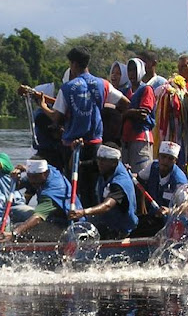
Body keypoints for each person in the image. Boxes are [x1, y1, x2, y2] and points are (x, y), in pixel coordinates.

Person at [40, 46, 130, 207]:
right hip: (95, 143)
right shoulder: (103, 84)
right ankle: (92, 220)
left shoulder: (67, 88)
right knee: (93, 187)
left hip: (73, 145)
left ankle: (75, 218)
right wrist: (106, 108)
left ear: (74, 64)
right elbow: (125, 103)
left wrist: (42, 106)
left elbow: (56, 118)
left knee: (73, 187)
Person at [68, 143, 138, 240]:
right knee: (77, 226)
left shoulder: (120, 182)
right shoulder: (104, 166)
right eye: (98, 159)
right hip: (106, 220)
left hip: (120, 228)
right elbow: (74, 166)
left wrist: (84, 212)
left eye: (103, 160)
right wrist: (74, 151)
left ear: (114, 163)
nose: (99, 163)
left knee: (82, 234)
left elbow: (107, 206)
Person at [0, 158, 73, 243]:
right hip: (50, 218)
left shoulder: (52, 193)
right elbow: (18, 186)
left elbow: (37, 218)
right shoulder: (47, 170)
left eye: (34, 178)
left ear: (44, 174)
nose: (31, 181)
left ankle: (12, 244)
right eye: (29, 177)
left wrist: (14, 233)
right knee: (13, 214)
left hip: (64, 227)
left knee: (17, 227)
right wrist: (17, 177)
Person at [130, 141, 188, 237]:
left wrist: (169, 211)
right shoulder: (153, 166)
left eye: (170, 159)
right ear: (158, 156)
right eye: (163, 157)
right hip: (153, 217)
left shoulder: (179, 181)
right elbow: (139, 179)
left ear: (175, 161)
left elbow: (187, 206)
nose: (165, 161)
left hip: (170, 223)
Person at [121, 57, 155, 173]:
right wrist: (130, 113)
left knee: (140, 173)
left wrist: (126, 113)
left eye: (134, 70)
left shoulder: (146, 89)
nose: (131, 73)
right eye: (129, 70)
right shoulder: (125, 91)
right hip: (126, 138)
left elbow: (143, 113)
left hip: (140, 137)